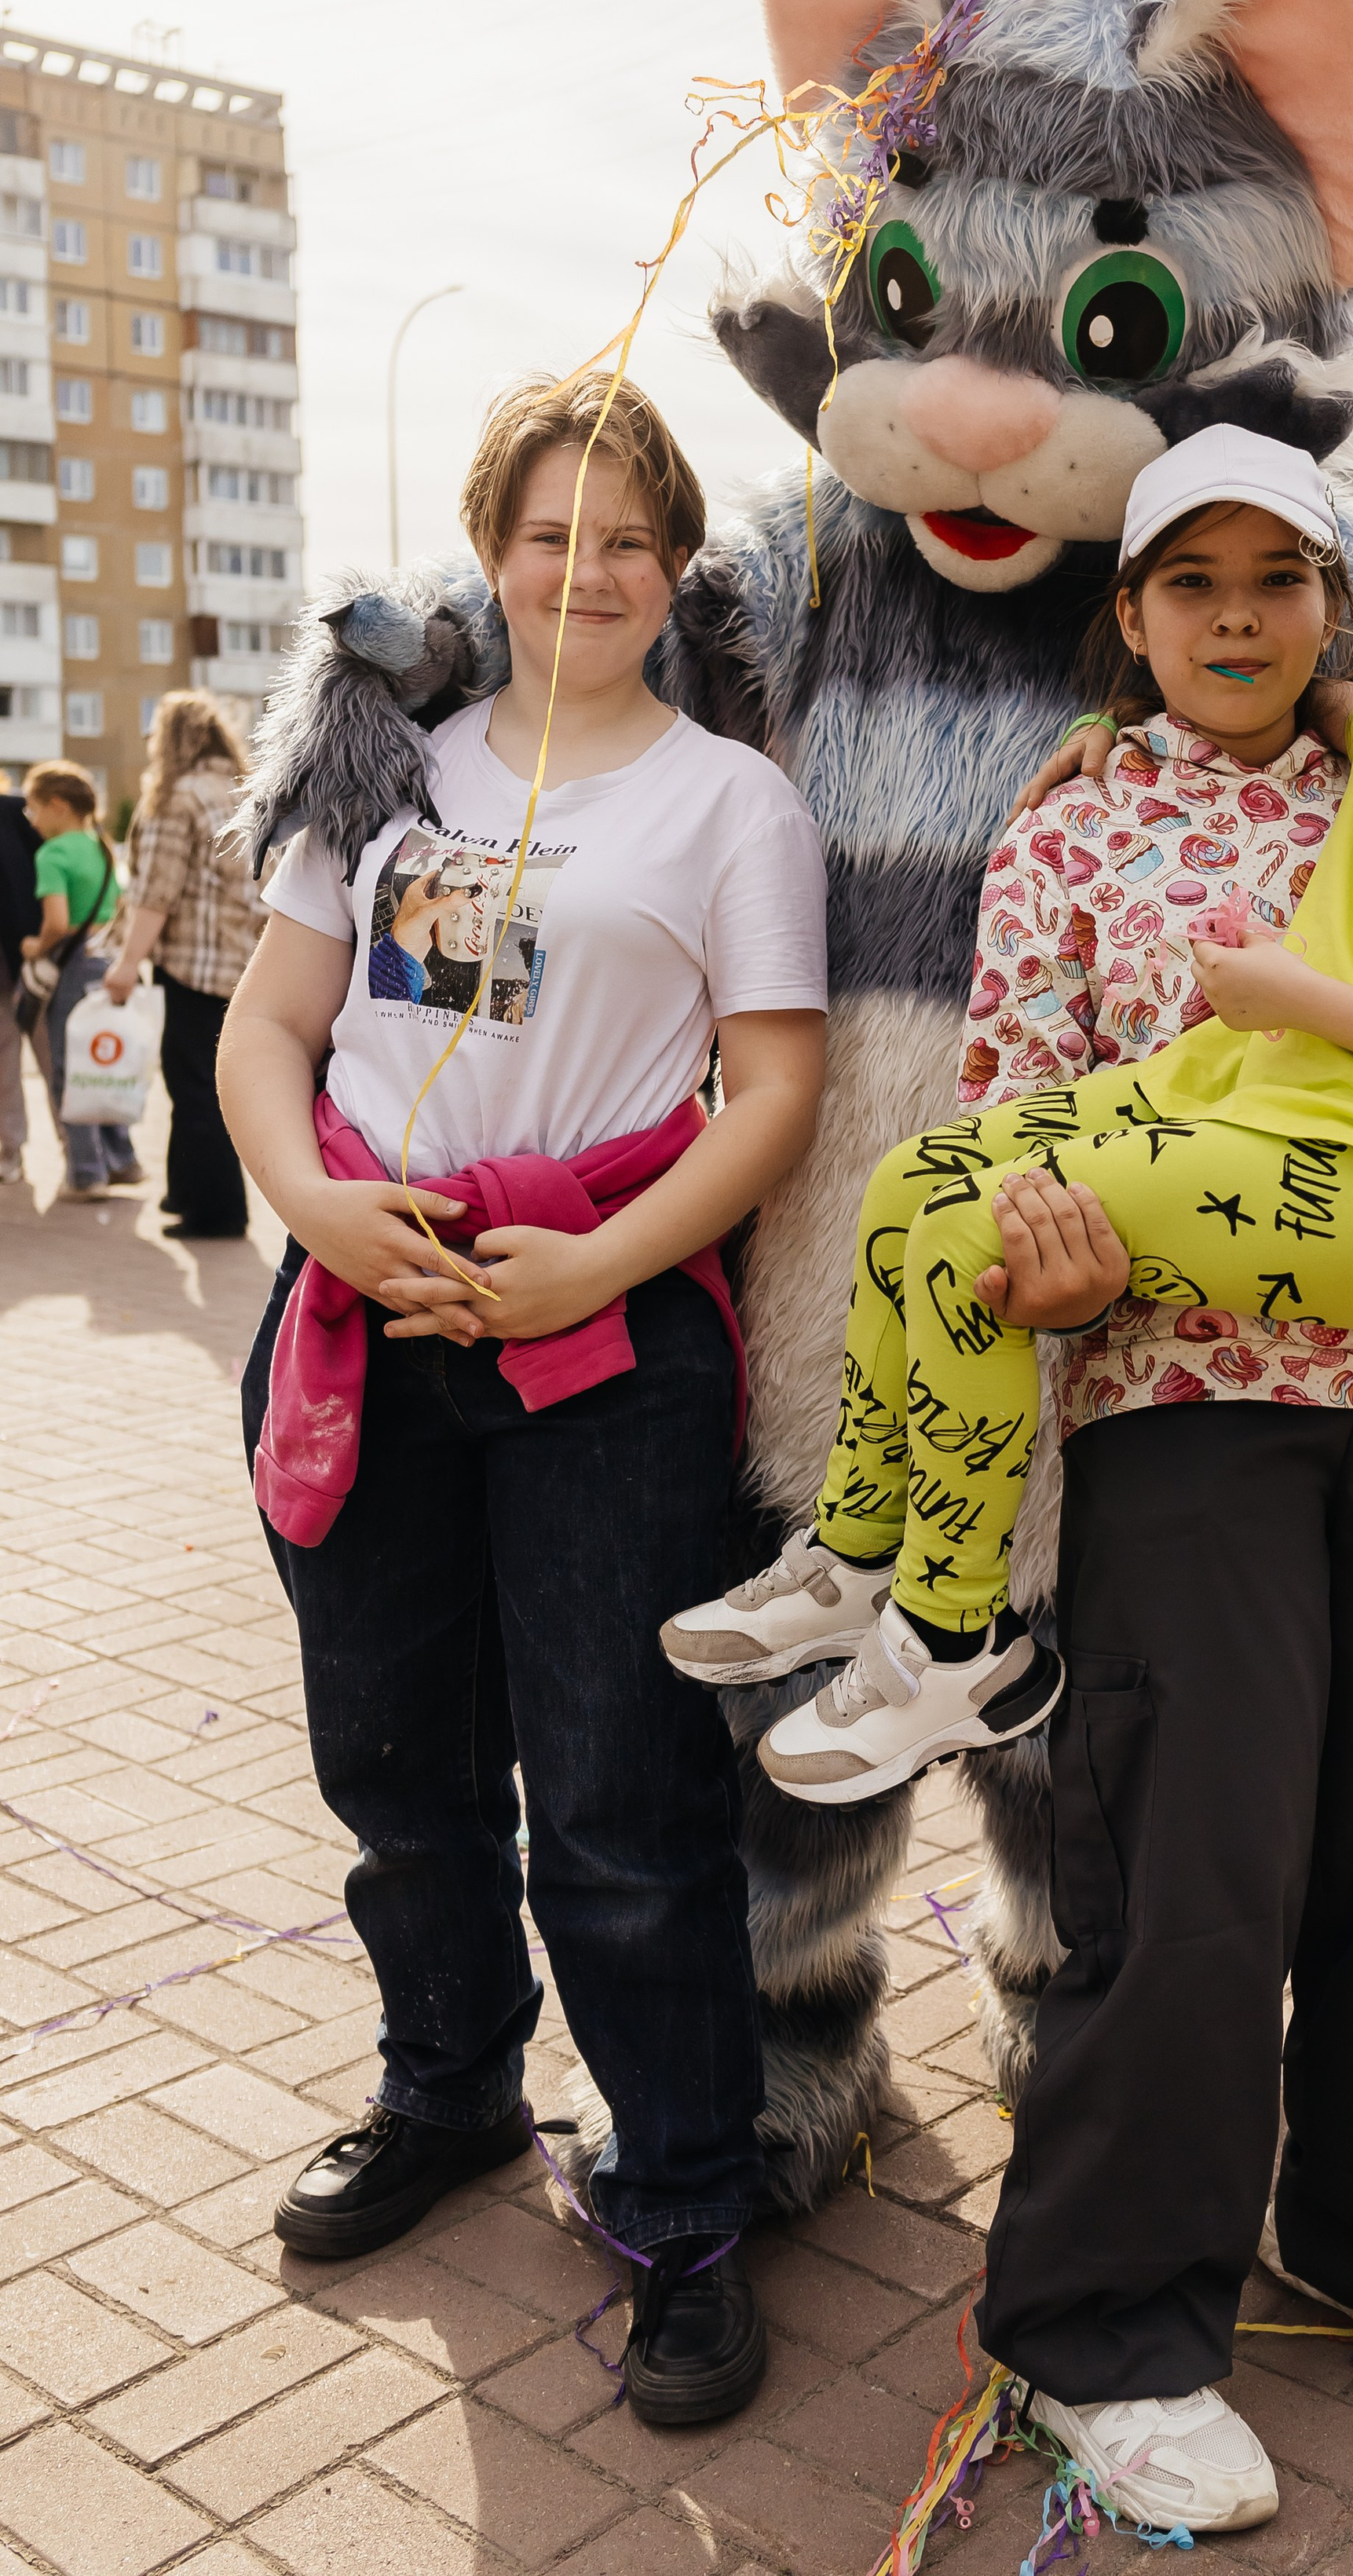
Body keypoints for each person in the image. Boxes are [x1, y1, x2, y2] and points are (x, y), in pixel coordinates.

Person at [667, 431, 1353, 1813]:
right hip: (1193, 1322)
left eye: (1281, 581)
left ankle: (961, 1636)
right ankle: (862, 1555)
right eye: (1193, 585)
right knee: (916, 1184)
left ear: (1336, 603)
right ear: (1133, 614)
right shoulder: (1323, 751)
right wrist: (1112, 735)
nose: (1240, 618)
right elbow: (1313, 692)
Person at [220, 372, 828, 2428]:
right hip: (367, 1304)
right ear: (495, 547)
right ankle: (448, 2090)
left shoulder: (728, 802)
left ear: (678, 571)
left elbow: (776, 1089)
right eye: (552, 534)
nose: (589, 572)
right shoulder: (385, 766)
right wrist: (317, 1204)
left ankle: (681, 2210)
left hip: (605, 1331)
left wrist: (600, 1261)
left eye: (631, 540)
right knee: (393, 1763)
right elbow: (271, 1028)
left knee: (626, 1812)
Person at [104, 689, 263, 1239]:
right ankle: (185, 1191)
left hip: (192, 965)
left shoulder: (179, 797)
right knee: (204, 1082)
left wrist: (127, 963)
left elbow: (156, 893)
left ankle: (217, 1212)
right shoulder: (244, 791)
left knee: (193, 1087)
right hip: (244, 961)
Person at [16, 759, 141, 1202]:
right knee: (105, 1062)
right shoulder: (101, 845)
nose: (30, 820)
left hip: (71, 965)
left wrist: (35, 944)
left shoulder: (52, 853)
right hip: (106, 960)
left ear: (57, 805)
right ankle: (123, 1159)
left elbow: (58, 920)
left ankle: (87, 1172)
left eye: (33, 809)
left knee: (70, 1070)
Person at [0, 781, 39, 1187]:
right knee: (4, 1067)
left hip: (34, 963)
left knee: (55, 1063)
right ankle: (11, 1151)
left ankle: (85, 1157)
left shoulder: (14, 811)